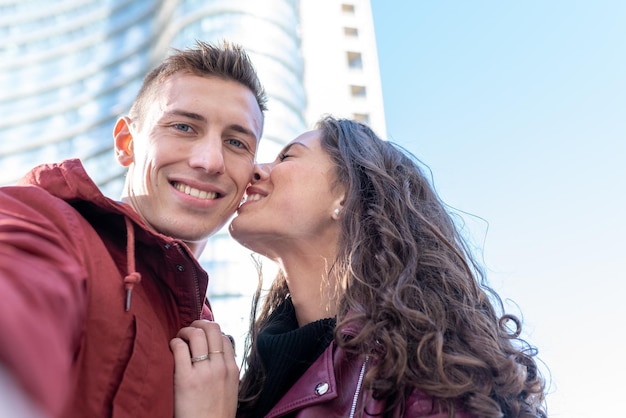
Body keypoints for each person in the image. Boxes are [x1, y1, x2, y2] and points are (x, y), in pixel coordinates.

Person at [173, 116, 548, 417]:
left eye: (287, 157)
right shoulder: (249, 383)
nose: (256, 170)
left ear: (346, 193)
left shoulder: (424, 378)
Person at [0, 40, 266, 418]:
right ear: (127, 143)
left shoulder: (217, 348)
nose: (209, 161)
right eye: (184, 127)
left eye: (236, 142)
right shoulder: (48, 221)